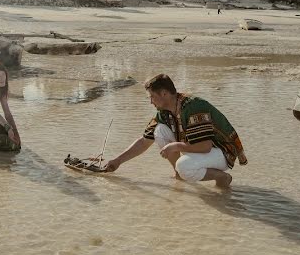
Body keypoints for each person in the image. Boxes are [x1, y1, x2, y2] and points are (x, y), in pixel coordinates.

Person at [104, 74, 247, 187]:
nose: (151, 101)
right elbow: (144, 141)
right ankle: (179, 174)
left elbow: (205, 146)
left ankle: (220, 176)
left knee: (184, 166)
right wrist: (117, 161)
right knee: (159, 131)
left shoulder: (193, 107)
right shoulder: (164, 112)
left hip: (222, 152)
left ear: (164, 94)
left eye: (152, 97)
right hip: (202, 149)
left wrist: (175, 146)